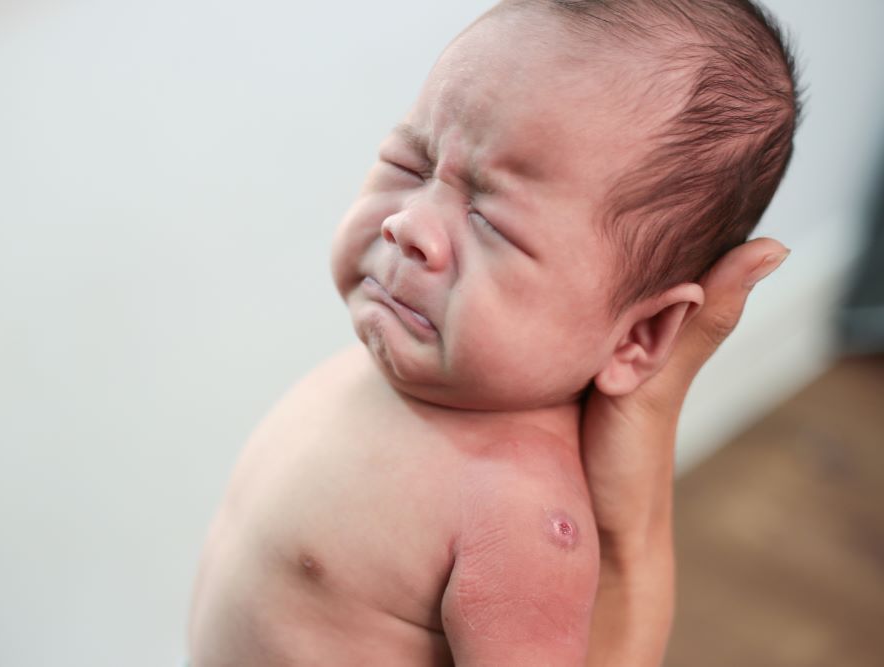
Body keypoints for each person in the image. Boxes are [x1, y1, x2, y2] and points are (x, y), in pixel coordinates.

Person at [187, 0, 800, 664]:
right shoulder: (399, 369)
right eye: (411, 162)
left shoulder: (515, 511)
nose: (408, 225)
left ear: (640, 336)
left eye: (491, 221)